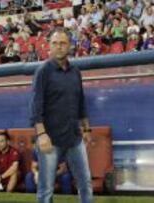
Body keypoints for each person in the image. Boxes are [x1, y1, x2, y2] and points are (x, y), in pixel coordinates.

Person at [30, 27, 93, 203]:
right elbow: (36, 106)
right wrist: (41, 134)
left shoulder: (75, 72)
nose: (59, 47)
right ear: (49, 46)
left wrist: (87, 129)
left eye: (63, 43)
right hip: (51, 139)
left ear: (69, 46)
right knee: (46, 190)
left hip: (74, 138)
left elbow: (81, 102)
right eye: (55, 43)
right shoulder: (43, 71)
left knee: (85, 184)